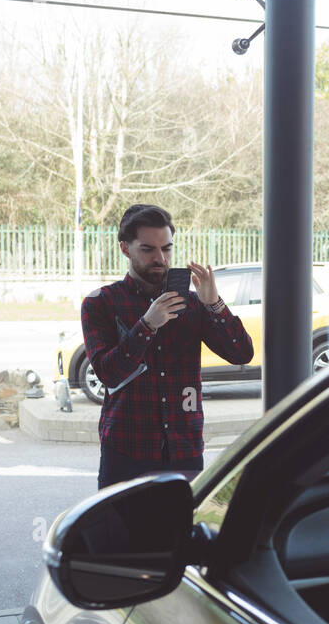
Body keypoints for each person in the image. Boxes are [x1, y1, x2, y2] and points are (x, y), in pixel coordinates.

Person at [82, 204, 254, 490]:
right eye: (148, 249)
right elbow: (107, 374)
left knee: (179, 534)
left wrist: (214, 304)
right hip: (126, 451)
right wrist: (147, 325)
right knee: (122, 534)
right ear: (125, 248)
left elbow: (241, 353)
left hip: (184, 449)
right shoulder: (101, 302)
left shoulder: (193, 304)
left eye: (167, 249)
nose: (160, 258)